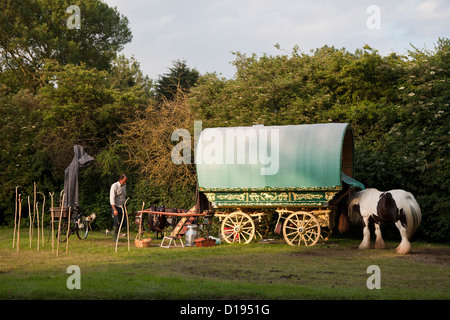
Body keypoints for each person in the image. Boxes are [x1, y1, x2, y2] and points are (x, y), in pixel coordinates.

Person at [109, 174, 127, 240]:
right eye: (124, 181)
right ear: (120, 180)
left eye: (126, 181)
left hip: (122, 206)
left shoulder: (124, 186)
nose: (125, 183)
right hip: (115, 206)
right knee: (117, 222)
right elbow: (112, 198)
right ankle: (115, 237)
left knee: (124, 222)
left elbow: (123, 197)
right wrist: (114, 209)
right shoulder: (114, 186)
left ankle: (113, 232)